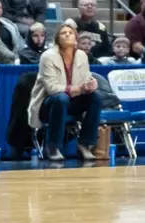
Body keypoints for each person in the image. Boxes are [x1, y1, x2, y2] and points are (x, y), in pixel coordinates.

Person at [28, 22, 101, 162]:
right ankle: (53, 146)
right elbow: (51, 88)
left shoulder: (81, 55)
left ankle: (85, 144)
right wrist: (79, 89)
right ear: (57, 39)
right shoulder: (48, 56)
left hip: (72, 101)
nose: (67, 34)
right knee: (61, 98)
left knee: (95, 96)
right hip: (48, 103)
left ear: (76, 37)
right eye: (63, 33)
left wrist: (91, 84)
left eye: (70, 32)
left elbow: (86, 79)